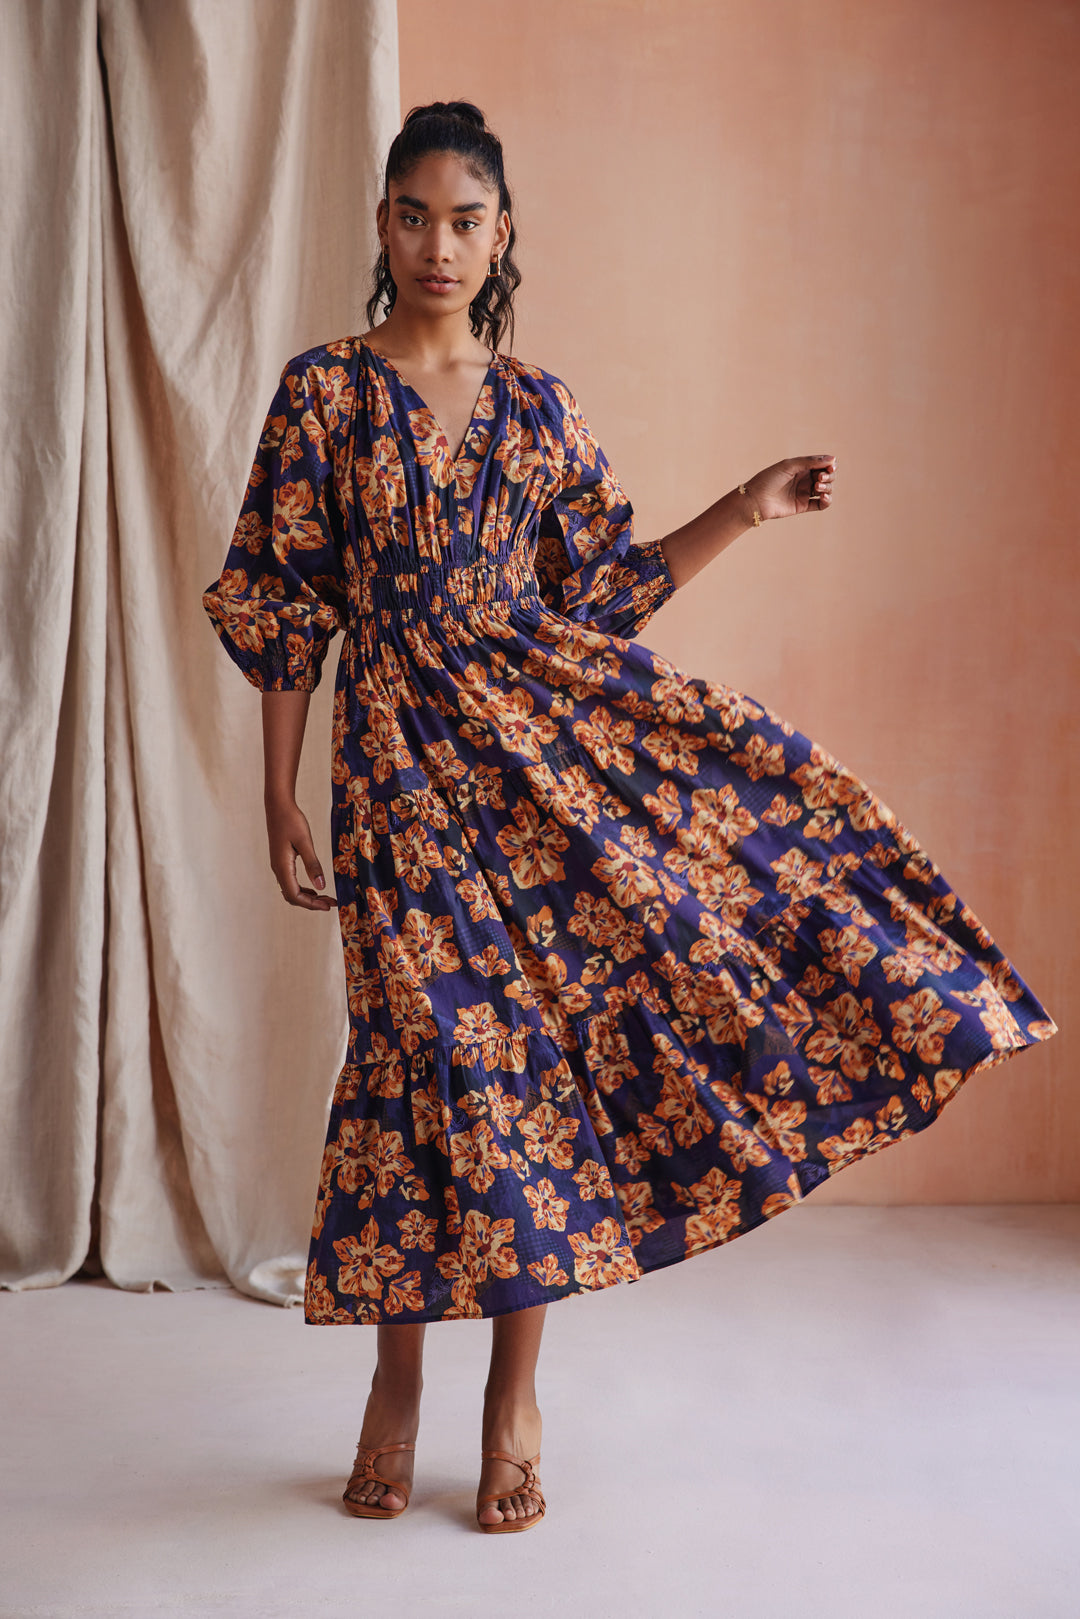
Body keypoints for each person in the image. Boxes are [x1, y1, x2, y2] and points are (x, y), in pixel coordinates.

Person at [202, 100, 1058, 1534]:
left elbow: (604, 593)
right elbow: (286, 600)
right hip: (394, 772)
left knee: (528, 1074)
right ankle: (395, 1390)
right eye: (412, 216)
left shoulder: (540, 409)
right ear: (381, 227)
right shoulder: (325, 395)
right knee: (415, 1061)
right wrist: (277, 788)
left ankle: (512, 1403)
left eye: (465, 219)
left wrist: (746, 504)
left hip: (536, 772)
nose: (436, 245)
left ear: (503, 236)